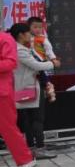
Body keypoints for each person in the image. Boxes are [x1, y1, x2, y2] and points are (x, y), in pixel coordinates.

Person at [11, 23, 56, 158]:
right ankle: (39, 148)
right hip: (28, 88)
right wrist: (52, 63)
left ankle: (31, 149)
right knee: (36, 119)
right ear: (21, 35)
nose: (32, 35)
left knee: (30, 119)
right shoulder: (20, 51)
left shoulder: (23, 48)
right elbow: (36, 65)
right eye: (29, 33)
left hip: (26, 87)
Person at [0, 28, 37, 167]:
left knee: (8, 127)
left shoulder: (5, 39)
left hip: (2, 92)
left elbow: (11, 63)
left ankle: (25, 159)